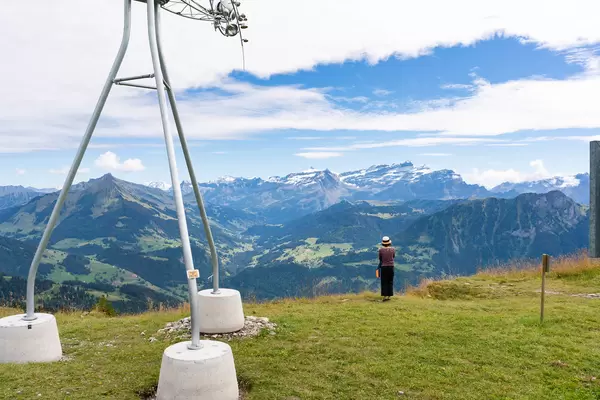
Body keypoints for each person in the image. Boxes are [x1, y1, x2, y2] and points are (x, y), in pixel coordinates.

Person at [377, 236, 395, 301]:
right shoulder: (393, 249)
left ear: (383, 243)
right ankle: (389, 296)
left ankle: (384, 296)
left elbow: (380, 258)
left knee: (384, 281)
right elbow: (393, 256)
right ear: (389, 243)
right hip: (391, 267)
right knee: (390, 281)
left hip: (384, 267)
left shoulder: (380, 250)